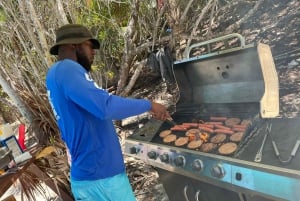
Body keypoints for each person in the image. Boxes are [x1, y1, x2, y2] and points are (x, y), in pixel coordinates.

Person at [46, 24, 171, 201]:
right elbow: (105, 107)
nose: (94, 52)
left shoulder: (54, 75)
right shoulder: (67, 69)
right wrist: (149, 105)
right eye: (90, 46)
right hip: (102, 178)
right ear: (73, 46)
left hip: (87, 176)